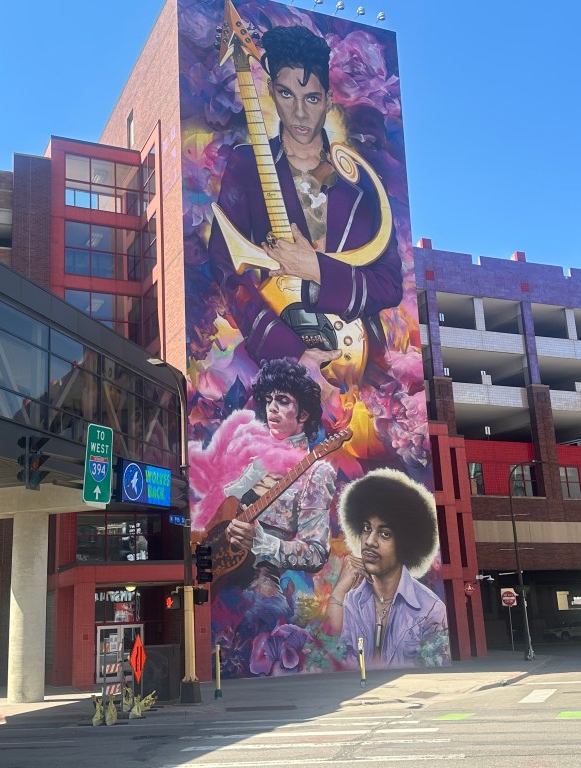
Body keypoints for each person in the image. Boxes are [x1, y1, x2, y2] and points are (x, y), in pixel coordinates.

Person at [208, 23, 402, 368]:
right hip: (279, 364)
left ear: (327, 101)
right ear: (270, 91)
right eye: (287, 94)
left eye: (311, 98)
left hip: (360, 367)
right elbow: (227, 271)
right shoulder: (246, 164)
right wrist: (291, 352)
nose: (299, 113)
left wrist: (316, 268)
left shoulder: (362, 182)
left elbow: (389, 285)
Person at [222, 359, 336, 606]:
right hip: (216, 568)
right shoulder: (254, 457)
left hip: (258, 584)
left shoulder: (317, 473)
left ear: (303, 414)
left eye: (283, 400)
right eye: (268, 400)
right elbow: (223, 502)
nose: (272, 407)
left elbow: (316, 553)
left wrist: (262, 543)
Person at [325, 468, 449, 667]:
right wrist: (338, 593)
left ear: (405, 543)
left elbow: (436, 667)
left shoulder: (430, 609)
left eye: (384, 534)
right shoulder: (351, 602)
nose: (370, 541)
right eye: (366, 528)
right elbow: (330, 655)